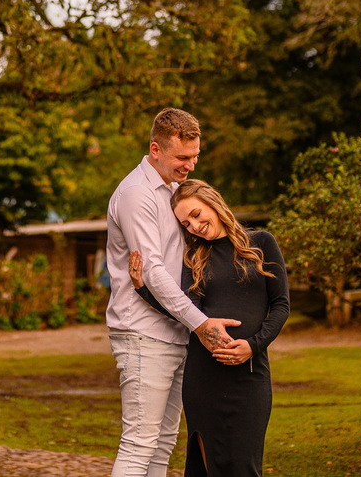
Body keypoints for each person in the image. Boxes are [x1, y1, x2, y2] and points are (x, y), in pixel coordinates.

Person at [106, 109, 242, 477]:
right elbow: (152, 271)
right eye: (183, 158)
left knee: (163, 443)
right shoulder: (136, 193)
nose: (190, 166)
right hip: (143, 335)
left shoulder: (171, 191)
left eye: (195, 156)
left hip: (174, 334)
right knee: (139, 444)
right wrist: (202, 324)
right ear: (155, 148)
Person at [129, 179, 289, 477]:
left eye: (197, 214)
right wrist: (143, 290)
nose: (194, 226)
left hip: (249, 376)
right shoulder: (195, 258)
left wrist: (252, 346)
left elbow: (281, 306)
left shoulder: (262, 243)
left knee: (245, 467)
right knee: (206, 468)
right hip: (204, 379)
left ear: (213, 203)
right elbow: (186, 312)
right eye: (186, 223)